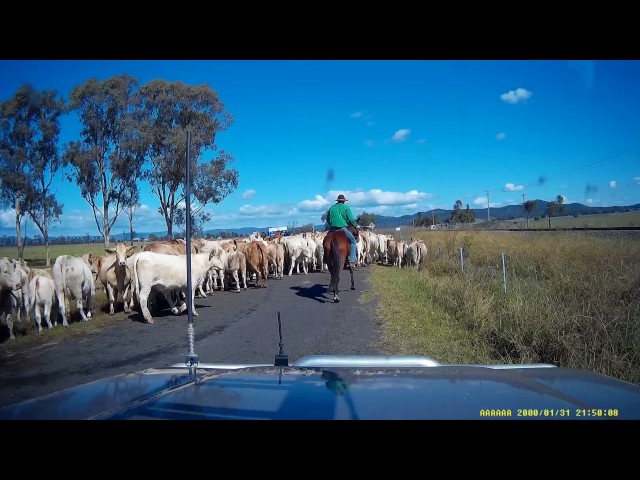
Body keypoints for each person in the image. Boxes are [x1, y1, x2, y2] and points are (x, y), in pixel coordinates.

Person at [326, 194, 358, 265]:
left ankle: (325, 258)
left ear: (337, 201)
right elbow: (351, 219)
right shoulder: (346, 207)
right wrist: (355, 225)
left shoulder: (332, 208)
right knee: (353, 242)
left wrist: (331, 223)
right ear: (343, 201)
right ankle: (352, 260)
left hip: (332, 229)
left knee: (325, 241)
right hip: (342, 228)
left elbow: (328, 219)